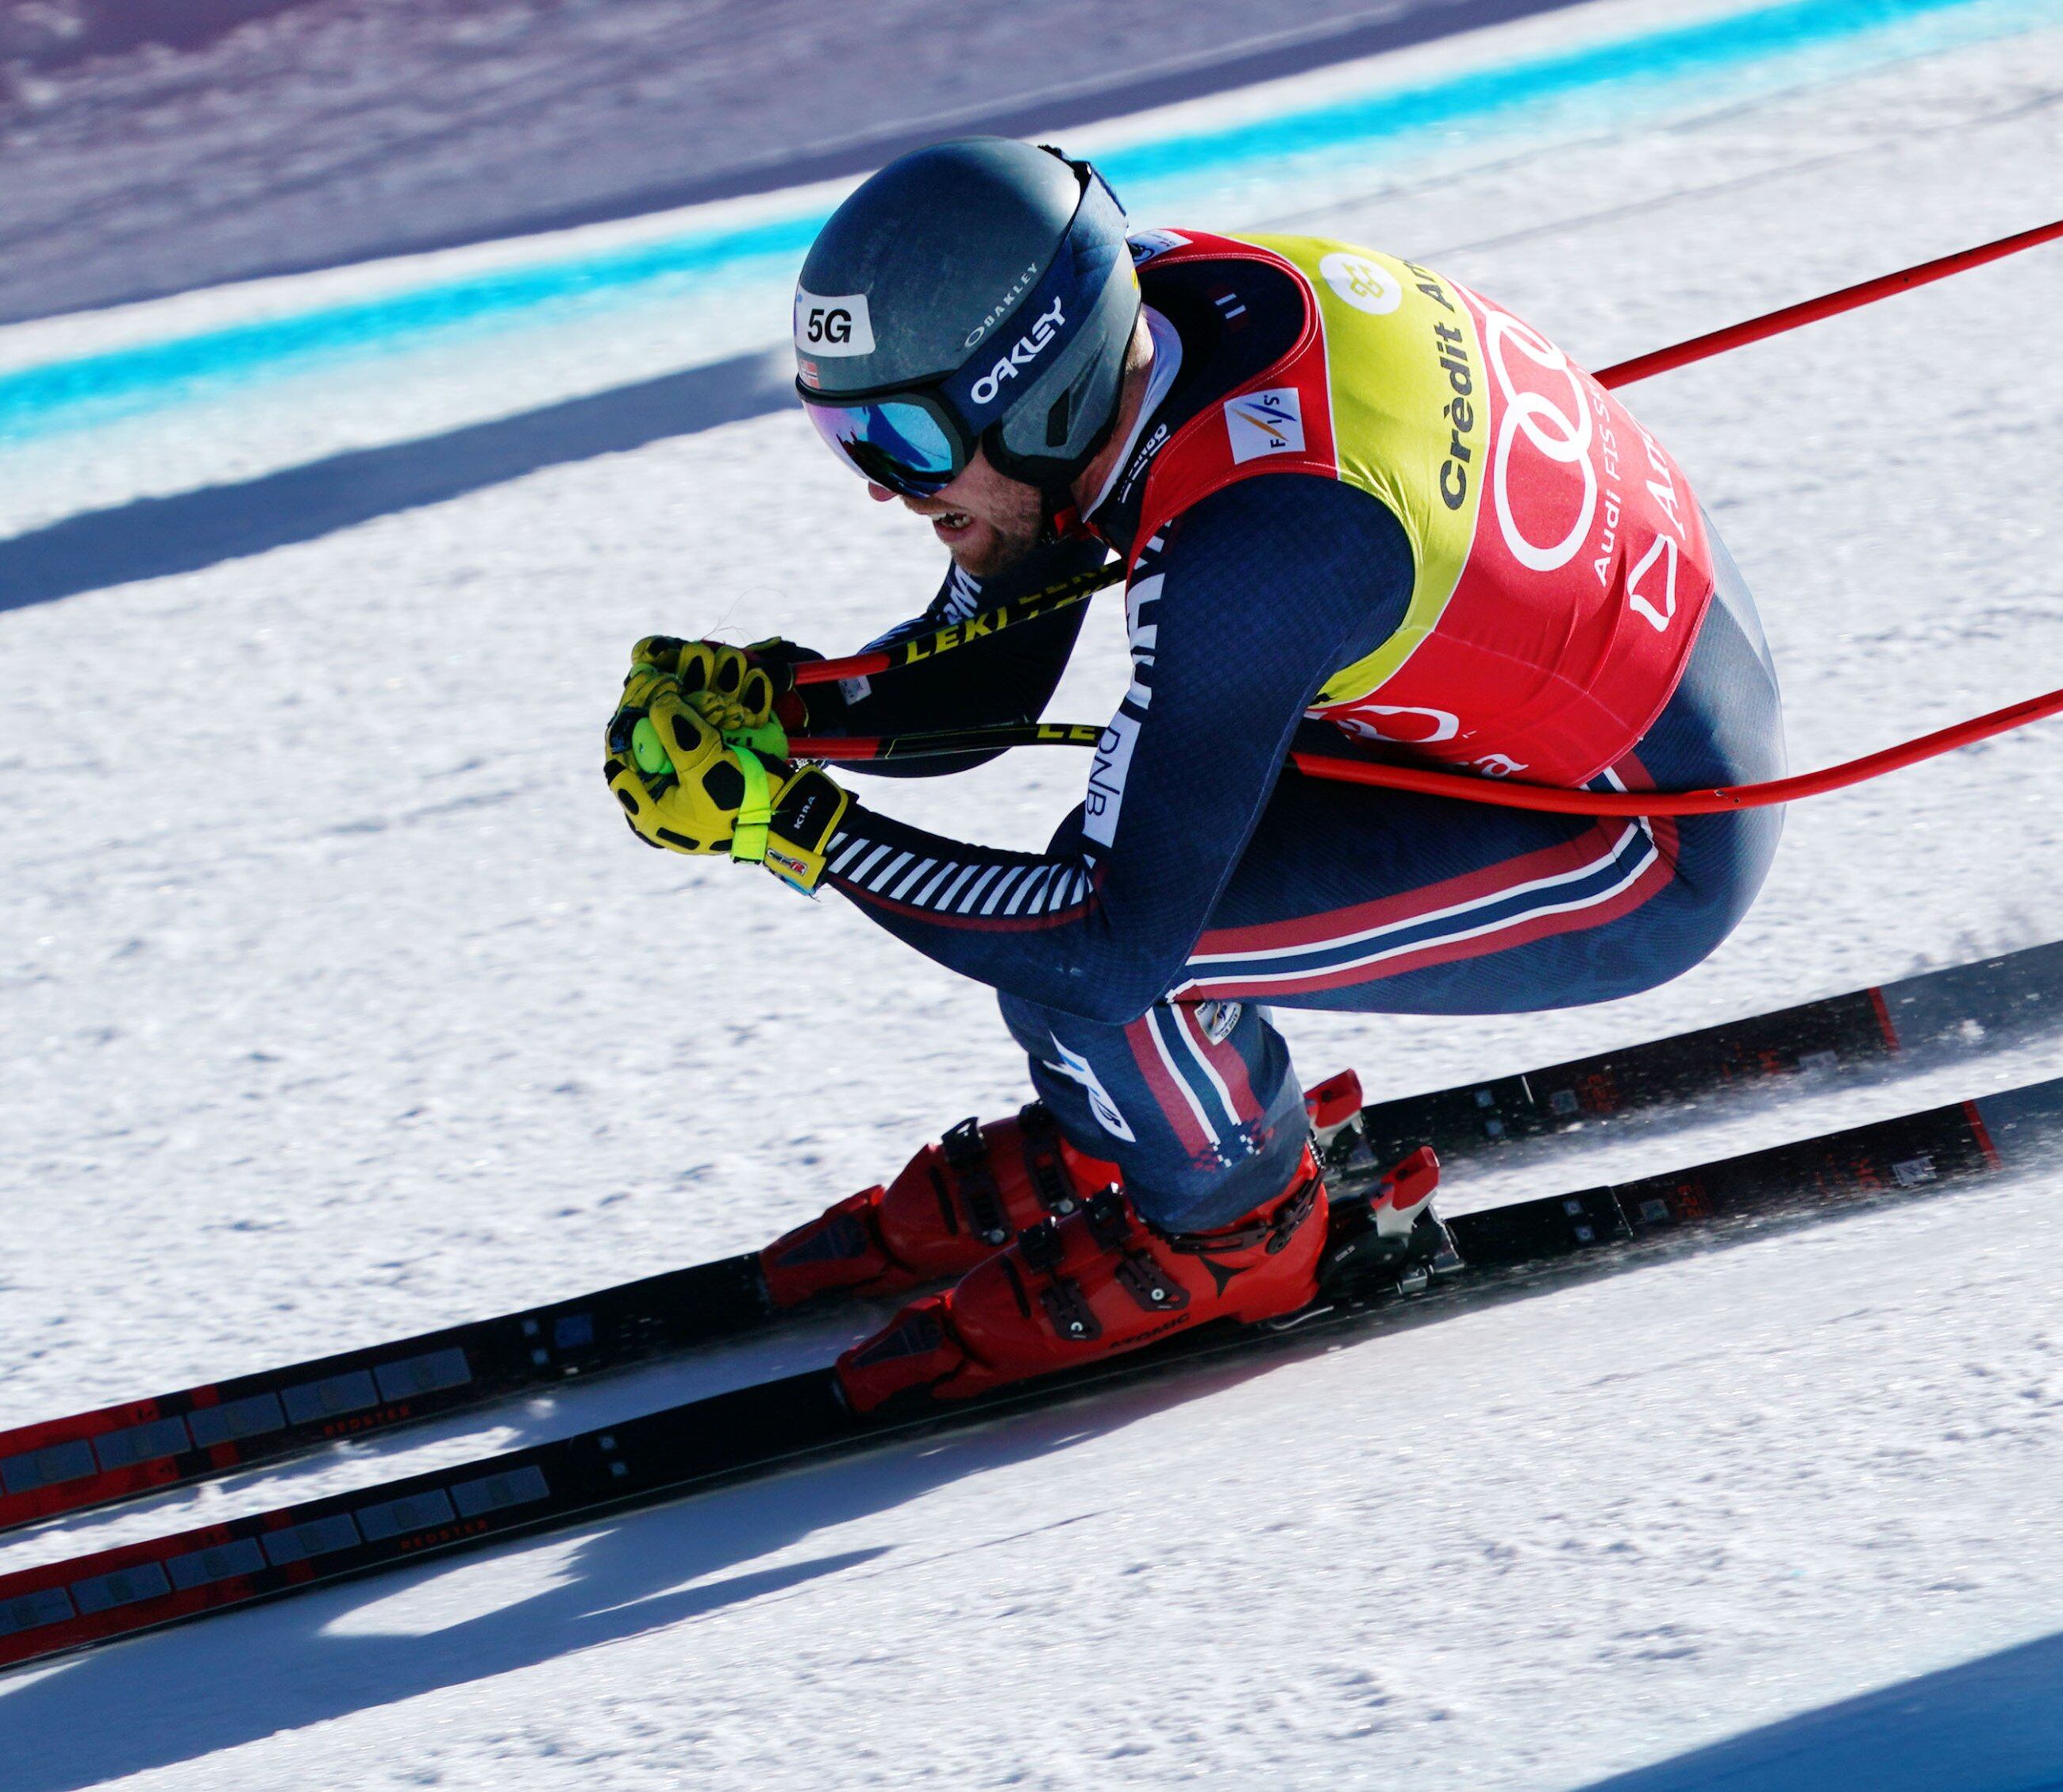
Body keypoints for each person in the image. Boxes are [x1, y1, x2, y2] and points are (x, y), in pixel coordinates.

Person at [603, 137, 1785, 1411]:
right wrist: (785, 709)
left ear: (1029, 385)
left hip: (1647, 835)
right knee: (1097, 900)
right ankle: (1149, 1119)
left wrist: (794, 828)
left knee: (1109, 967)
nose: (888, 492)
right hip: (1599, 669)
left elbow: (1113, 946)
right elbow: (989, 676)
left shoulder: (1248, 548)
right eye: (847, 437)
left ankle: (1235, 1232)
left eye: (899, 438)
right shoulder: (1136, 316)